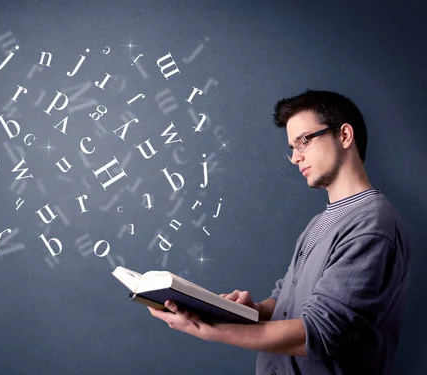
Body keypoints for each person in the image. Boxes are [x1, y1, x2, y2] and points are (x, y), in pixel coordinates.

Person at [148, 90, 411, 375]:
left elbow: (320, 332)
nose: (296, 157)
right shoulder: (321, 221)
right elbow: (287, 303)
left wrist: (209, 328)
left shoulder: (372, 226)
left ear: (345, 135)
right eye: (292, 147)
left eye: (304, 141)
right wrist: (248, 311)